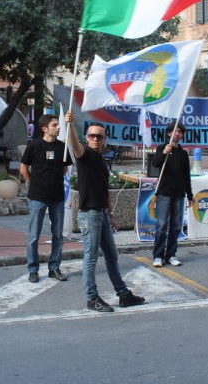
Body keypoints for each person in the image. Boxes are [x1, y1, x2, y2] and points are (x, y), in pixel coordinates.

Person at [64, 111, 145, 313]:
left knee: (111, 255)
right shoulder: (84, 155)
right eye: (92, 135)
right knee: (91, 257)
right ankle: (92, 298)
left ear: (104, 139)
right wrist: (70, 125)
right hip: (89, 214)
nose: (95, 139)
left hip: (102, 213)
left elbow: (105, 189)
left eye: (99, 136)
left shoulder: (101, 159)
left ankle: (123, 295)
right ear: (87, 137)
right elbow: (74, 144)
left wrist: (111, 213)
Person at [20, 113, 70, 283]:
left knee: (58, 235)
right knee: (34, 235)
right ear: (44, 128)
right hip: (37, 197)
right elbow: (23, 168)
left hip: (57, 197)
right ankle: (33, 270)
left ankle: (54, 268)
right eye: (54, 125)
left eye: (58, 124)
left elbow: (64, 169)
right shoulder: (34, 146)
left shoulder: (62, 147)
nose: (58, 127)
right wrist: (32, 183)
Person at [150, 121, 193, 267]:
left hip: (179, 194)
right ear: (169, 133)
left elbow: (186, 176)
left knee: (176, 226)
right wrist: (164, 153)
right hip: (164, 192)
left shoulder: (183, 153)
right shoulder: (162, 148)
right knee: (161, 225)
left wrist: (190, 195)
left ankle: (171, 254)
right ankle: (158, 256)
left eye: (180, 132)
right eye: (175, 131)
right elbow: (155, 163)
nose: (177, 134)